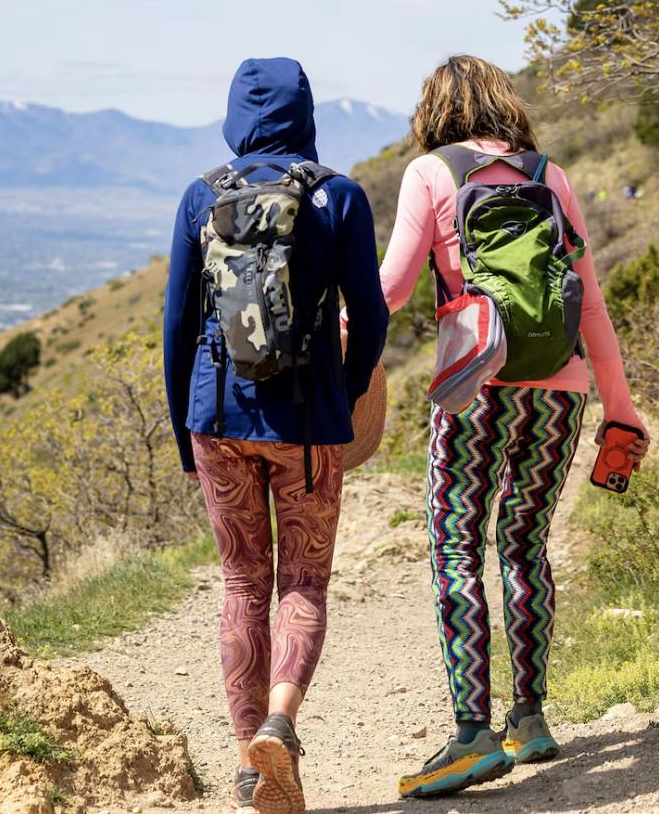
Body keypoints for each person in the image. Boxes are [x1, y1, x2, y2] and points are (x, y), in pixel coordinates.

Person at [381, 55, 650, 799]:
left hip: (476, 390)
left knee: (455, 541)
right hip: (560, 391)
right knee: (525, 542)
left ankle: (471, 734)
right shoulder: (549, 176)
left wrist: (333, 335)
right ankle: (527, 718)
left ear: (435, 112)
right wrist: (621, 411)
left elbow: (395, 286)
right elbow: (588, 302)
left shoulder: (432, 174)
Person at [164, 57, 388, 814]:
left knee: (240, 584)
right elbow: (374, 313)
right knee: (303, 580)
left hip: (217, 418)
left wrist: (183, 431)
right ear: (306, 111)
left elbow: (175, 325)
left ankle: (243, 764)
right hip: (306, 421)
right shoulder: (340, 195)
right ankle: (280, 725)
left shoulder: (202, 196)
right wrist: (344, 397)